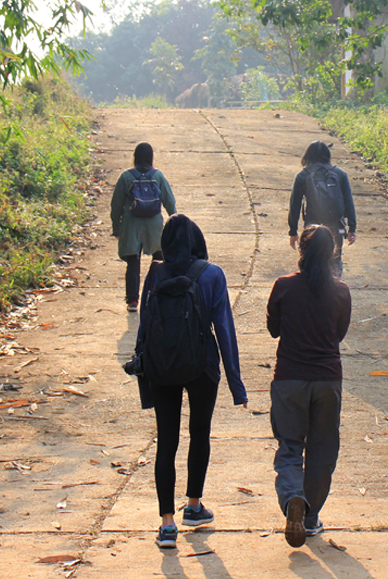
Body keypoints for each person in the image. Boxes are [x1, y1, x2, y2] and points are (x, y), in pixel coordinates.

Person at [132, 214, 248, 549]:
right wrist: (236, 385)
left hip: (162, 366)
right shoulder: (211, 274)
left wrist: (144, 369)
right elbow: (224, 329)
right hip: (201, 367)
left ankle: (167, 525)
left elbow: (145, 326)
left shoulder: (154, 271)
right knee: (199, 434)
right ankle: (194, 507)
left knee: (166, 442)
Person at [266, 225, 352, 548]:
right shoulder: (341, 291)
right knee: (323, 448)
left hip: (289, 378)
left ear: (301, 251)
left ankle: (293, 500)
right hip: (327, 379)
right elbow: (339, 334)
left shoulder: (284, 287)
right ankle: (311, 516)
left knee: (290, 446)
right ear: (331, 254)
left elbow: (273, 328)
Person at [110, 142, 176, 312]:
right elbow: (170, 201)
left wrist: (116, 229)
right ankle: (161, 294)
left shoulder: (126, 177)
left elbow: (115, 206)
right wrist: (174, 221)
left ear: (135, 157)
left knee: (133, 260)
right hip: (154, 224)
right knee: (159, 258)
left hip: (132, 224)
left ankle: (132, 301)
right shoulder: (158, 176)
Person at [287, 141, 356, 276]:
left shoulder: (303, 176)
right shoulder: (340, 174)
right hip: (336, 224)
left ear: (308, 156)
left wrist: (293, 231)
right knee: (334, 260)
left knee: (309, 260)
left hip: (312, 225)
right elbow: (349, 202)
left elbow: (295, 204)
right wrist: (352, 228)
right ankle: (334, 289)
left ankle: (310, 291)